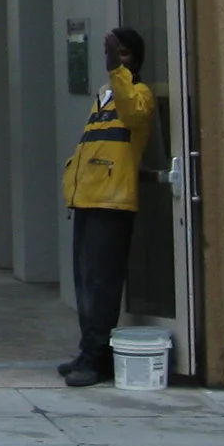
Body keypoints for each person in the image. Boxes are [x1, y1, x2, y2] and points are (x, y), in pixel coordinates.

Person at [58, 25, 155, 388]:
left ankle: (97, 359)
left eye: (125, 55)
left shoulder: (138, 94)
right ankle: (88, 351)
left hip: (112, 203)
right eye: (115, 54)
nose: (117, 61)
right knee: (85, 282)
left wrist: (118, 70)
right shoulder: (103, 96)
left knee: (102, 284)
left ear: (136, 61)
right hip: (88, 198)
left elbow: (133, 114)